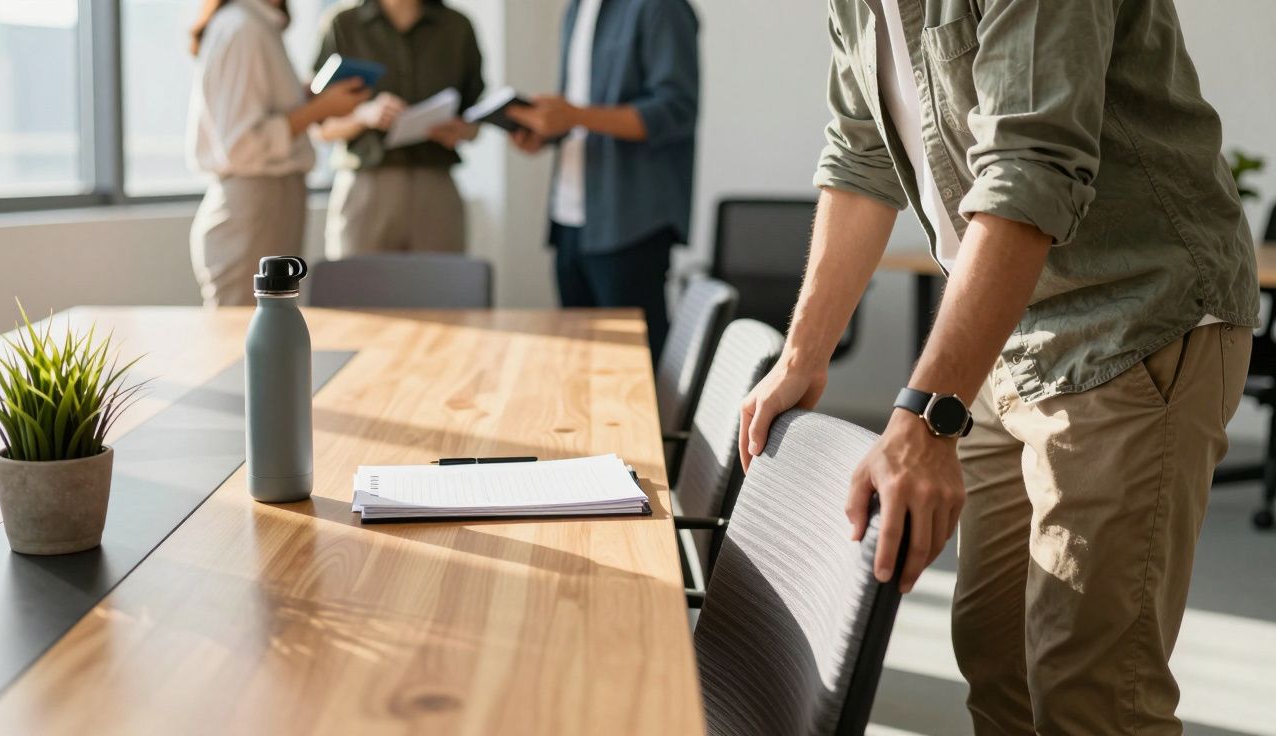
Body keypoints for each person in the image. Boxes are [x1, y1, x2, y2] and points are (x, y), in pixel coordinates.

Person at [738, 1, 1258, 734]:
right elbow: (861, 155)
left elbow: (1030, 168)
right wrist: (801, 355)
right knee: (997, 659)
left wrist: (926, 417)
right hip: (1002, 336)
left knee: (1092, 697)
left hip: (1130, 319)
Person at [507, 0, 698, 361]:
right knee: (578, 358)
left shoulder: (660, 6)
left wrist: (576, 116)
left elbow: (677, 109)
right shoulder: (575, 9)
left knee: (634, 364)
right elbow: (580, 108)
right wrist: (545, 131)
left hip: (631, 222)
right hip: (568, 220)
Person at [187, 0, 369, 307]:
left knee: (272, 323)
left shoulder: (258, 25)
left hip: (270, 202)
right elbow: (241, 145)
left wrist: (307, 99)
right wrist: (319, 109)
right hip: (254, 205)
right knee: (244, 327)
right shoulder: (242, 28)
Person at [314, 0, 484, 258]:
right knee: (357, 281)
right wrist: (363, 116)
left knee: (442, 281)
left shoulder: (457, 27)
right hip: (367, 184)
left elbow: (474, 117)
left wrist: (462, 130)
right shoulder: (343, 24)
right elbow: (319, 125)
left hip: (435, 185)